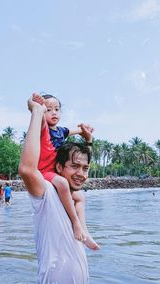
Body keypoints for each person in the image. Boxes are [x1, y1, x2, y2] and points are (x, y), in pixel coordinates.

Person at [19, 95, 100, 283]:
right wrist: (37, 112)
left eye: (85, 168)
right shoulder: (46, 193)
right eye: (74, 166)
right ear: (59, 167)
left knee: (80, 196)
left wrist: (88, 140)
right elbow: (26, 169)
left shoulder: (73, 196)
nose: (81, 173)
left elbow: (81, 160)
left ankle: (85, 231)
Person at [32, 92, 93, 242]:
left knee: (79, 196)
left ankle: (85, 231)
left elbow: (76, 131)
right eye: (48, 109)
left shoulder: (61, 131)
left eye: (57, 109)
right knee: (63, 183)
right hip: (45, 172)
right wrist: (34, 106)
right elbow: (36, 117)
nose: (53, 113)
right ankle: (75, 223)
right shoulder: (43, 129)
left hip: (55, 171)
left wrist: (86, 131)